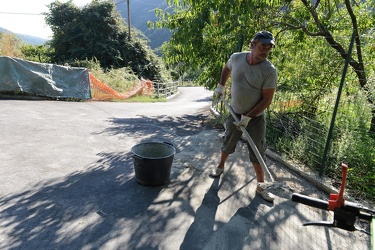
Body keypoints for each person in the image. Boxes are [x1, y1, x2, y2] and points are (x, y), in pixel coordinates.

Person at [211, 31, 277, 202]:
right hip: (234, 113)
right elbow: (226, 68)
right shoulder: (237, 58)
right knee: (228, 142)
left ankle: (261, 186)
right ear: (252, 44)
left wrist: (248, 117)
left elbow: (267, 100)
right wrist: (220, 86)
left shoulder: (269, 71)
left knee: (258, 152)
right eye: (263, 47)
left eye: (269, 49)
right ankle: (220, 166)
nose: (265, 51)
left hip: (255, 120)